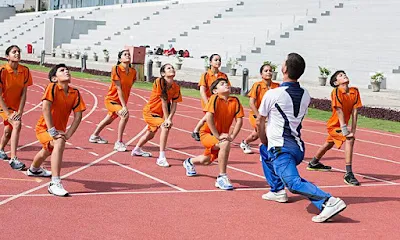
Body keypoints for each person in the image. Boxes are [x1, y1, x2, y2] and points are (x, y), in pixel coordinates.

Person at [258, 53, 346, 223]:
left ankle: (328, 201)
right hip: (298, 147)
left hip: (281, 149)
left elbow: (260, 122)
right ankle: (277, 190)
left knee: (293, 183)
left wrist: (264, 139)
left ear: (284, 69)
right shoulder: (306, 94)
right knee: (264, 151)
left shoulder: (273, 94)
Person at [29, 64, 86, 197]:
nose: (66, 71)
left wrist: (68, 134)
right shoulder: (52, 87)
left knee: (47, 151)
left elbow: (78, 116)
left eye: (67, 69)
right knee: (59, 143)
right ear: (54, 78)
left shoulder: (75, 93)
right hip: (44, 128)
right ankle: (55, 183)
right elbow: (45, 109)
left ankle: (34, 169)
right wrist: (52, 130)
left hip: (58, 130)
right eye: (62, 70)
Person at [183, 78, 244, 190]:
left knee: (206, 160)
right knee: (224, 144)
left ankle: (189, 162)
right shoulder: (214, 98)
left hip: (221, 135)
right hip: (207, 133)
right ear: (215, 90)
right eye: (222, 84)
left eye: (226, 83)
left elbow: (239, 120)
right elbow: (209, 117)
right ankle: (221, 177)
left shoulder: (235, 101)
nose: (226, 85)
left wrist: (232, 136)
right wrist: (217, 136)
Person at [308, 70, 362, 186]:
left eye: (345, 74)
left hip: (343, 126)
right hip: (334, 126)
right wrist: (345, 130)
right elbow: (339, 110)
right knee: (349, 139)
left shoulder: (355, 91)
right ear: (336, 82)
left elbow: (355, 111)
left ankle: (313, 163)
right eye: (341, 76)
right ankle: (349, 173)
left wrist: (353, 130)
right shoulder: (336, 92)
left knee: (329, 144)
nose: (344, 76)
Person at [131, 64, 182, 167]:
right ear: (163, 73)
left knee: (150, 134)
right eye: (168, 68)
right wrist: (167, 120)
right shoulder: (159, 82)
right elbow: (164, 101)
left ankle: (137, 149)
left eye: (172, 68)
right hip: (150, 112)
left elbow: (174, 105)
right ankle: (161, 157)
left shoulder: (176, 87)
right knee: (165, 127)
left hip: (159, 114)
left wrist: (170, 118)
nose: (172, 69)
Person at [89, 50, 136, 152]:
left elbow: (129, 86)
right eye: (125, 54)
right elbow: (119, 89)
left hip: (122, 101)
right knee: (125, 115)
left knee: (109, 119)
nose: (128, 56)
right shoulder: (116, 69)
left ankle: (94, 136)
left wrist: (123, 103)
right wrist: (124, 106)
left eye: (129, 54)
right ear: (120, 59)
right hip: (112, 99)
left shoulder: (133, 72)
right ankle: (119, 142)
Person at [0, 45, 33, 170]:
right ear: (7, 56)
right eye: (14, 52)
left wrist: (20, 110)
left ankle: (1, 149)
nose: (17, 54)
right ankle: (13, 159)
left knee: (8, 131)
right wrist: (8, 113)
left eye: (19, 52)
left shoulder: (25, 70)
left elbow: (24, 93)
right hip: (2, 105)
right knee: (17, 124)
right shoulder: (2, 71)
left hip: (15, 105)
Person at [240, 63, 279, 154]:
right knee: (265, 131)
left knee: (255, 135)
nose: (268, 72)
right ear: (261, 74)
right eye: (266, 71)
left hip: (270, 115)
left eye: (270, 70)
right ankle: (266, 149)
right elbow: (251, 102)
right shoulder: (257, 85)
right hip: (256, 115)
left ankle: (245, 142)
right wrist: (259, 117)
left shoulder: (277, 86)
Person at [191, 54, 230, 141]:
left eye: (219, 60)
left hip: (220, 101)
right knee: (209, 117)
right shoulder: (206, 75)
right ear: (210, 62)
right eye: (216, 60)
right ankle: (198, 130)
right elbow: (202, 90)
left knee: (214, 118)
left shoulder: (223, 76)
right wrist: (207, 102)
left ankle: (198, 131)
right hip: (209, 100)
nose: (218, 62)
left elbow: (228, 88)